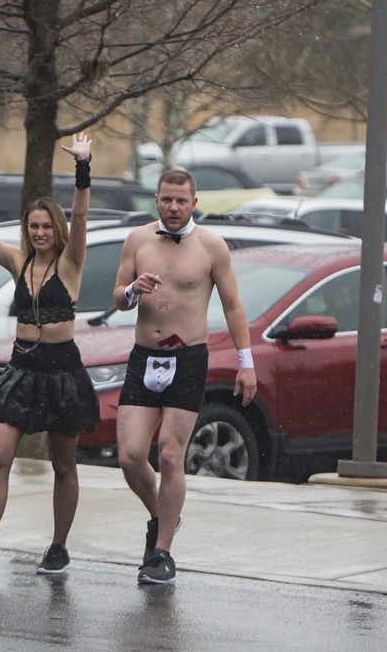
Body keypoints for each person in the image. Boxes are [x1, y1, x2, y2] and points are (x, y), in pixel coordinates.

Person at [0, 134, 100, 574]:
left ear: (57, 230)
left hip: (62, 372)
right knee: (0, 456)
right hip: (22, 368)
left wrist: (83, 167)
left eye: (46, 226)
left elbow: (80, 211)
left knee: (64, 464)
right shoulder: (18, 263)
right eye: (33, 226)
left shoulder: (71, 262)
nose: (39, 233)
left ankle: (58, 548)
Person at [113, 168, 257, 584]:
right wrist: (132, 291)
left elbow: (233, 306)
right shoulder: (137, 240)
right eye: (166, 200)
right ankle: (163, 518)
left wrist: (246, 362)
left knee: (171, 455)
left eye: (181, 201)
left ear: (194, 203)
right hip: (144, 357)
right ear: (155, 200)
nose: (173, 207)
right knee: (130, 456)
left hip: (188, 358)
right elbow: (119, 298)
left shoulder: (211, 246)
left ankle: (161, 553)